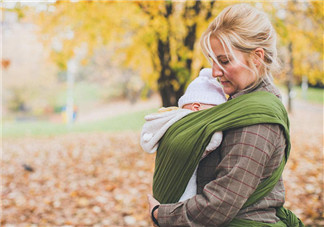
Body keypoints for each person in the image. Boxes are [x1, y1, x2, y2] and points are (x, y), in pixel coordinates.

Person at [147, 3, 304, 227]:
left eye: (224, 61)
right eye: (212, 60)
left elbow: (222, 200)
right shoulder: (237, 103)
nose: (214, 72)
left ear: (257, 57)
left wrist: (160, 214)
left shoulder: (258, 118)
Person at [141, 68, 227, 202]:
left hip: (163, 184)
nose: (216, 118)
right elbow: (213, 141)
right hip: (183, 185)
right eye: (214, 112)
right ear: (196, 107)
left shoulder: (170, 118)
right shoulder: (193, 125)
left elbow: (149, 140)